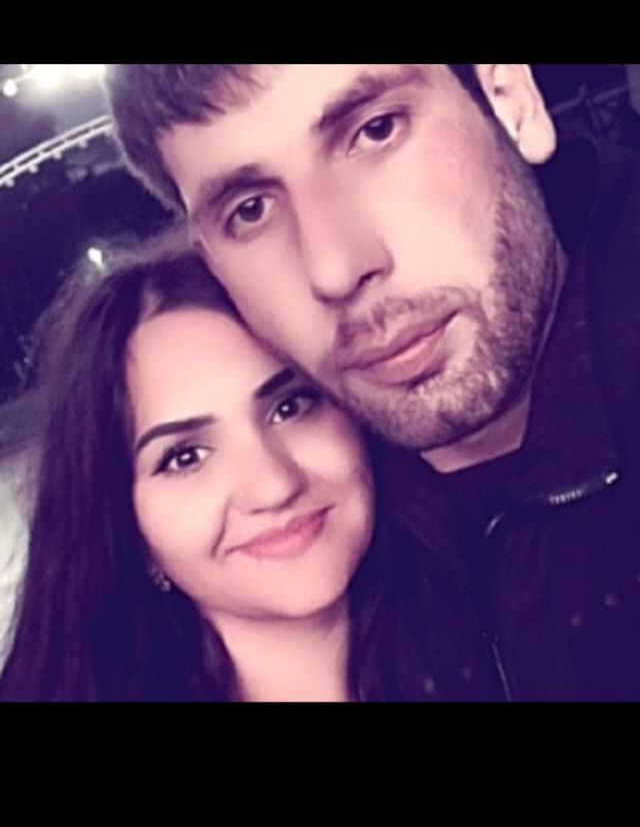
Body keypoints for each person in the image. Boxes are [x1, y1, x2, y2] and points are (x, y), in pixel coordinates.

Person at [106, 63, 640, 701]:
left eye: (376, 130)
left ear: (510, 99)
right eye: (250, 210)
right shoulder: (331, 537)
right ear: (213, 263)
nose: (335, 267)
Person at [1, 231, 489, 702]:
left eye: (290, 407)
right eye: (186, 457)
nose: (273, 485)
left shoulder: (508, 627)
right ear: (126, 526)